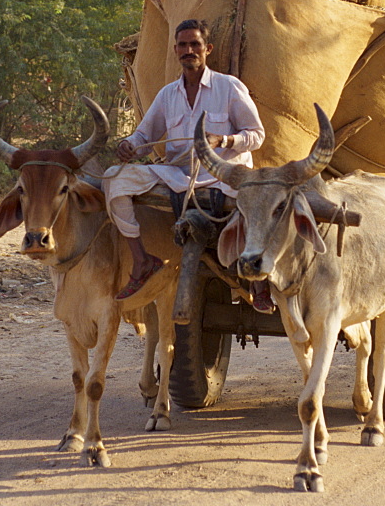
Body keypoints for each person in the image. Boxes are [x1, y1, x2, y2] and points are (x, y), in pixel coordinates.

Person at [104, 19, 266, 304]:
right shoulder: (168, 94)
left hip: (226, 177)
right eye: (183, 45)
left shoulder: (228, 87)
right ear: (176, 50)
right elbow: (145, 134)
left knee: (262, 202)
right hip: (178, 175)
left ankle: (259, 279)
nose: (188, 50)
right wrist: (130, 146)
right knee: (114, 179)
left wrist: (223, 140)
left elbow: (256, 135)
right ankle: (142, 261)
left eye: (195, 44)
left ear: (208, 49)